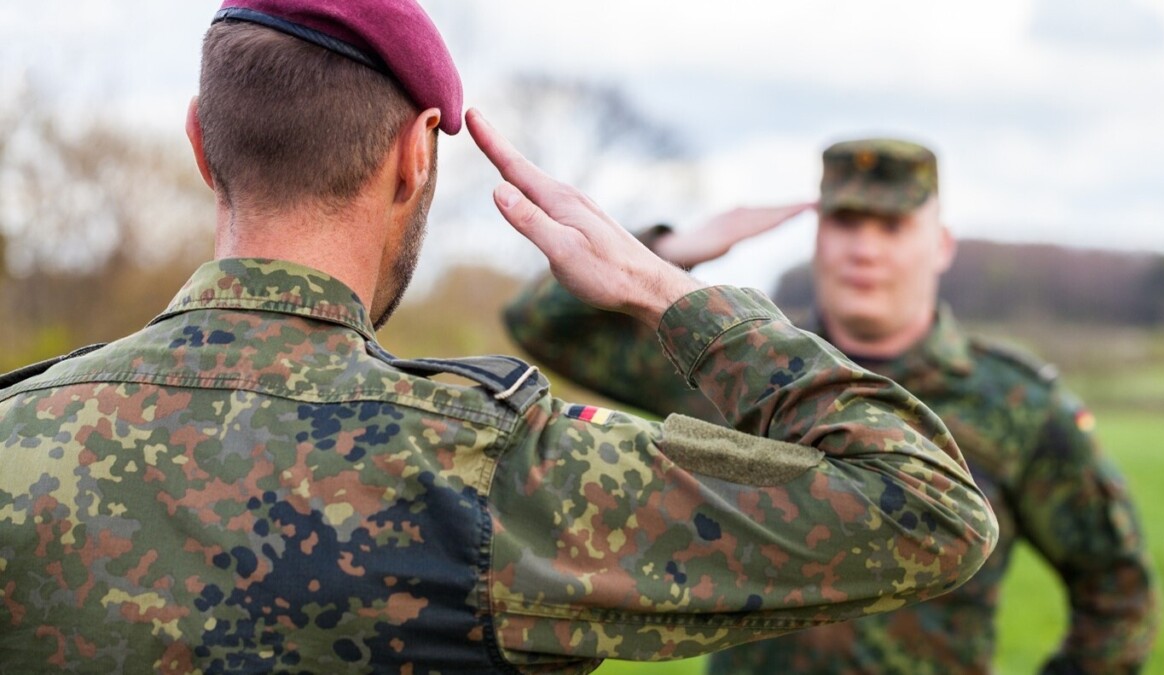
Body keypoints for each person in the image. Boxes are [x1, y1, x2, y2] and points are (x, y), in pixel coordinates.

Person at [0, 3, 998, 672]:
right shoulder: (490, 473)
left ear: (200, 140)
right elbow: (927, 509)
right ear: (409, 158)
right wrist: (669, 290)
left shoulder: (16, 437)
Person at [504, 138, 1160, 673]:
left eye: (893, 224)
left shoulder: (1015, 403)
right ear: (817, 236)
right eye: (845, 221)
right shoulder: (741, 366)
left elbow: (1118, 589)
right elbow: (543, 322)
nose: (865, 248)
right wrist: (667, 257)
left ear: (942, 245)